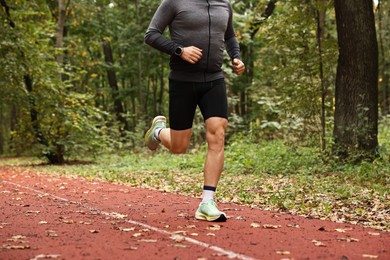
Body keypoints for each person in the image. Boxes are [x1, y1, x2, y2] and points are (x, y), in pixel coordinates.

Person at [144, 0, 245, 222]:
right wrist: (179, 50)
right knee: (180, 146)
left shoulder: (224, 5)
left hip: (214, 79)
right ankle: (159, 131)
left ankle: (207, 202)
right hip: (182, 80)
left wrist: (236, 57)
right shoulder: (174, 2)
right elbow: (151, 34)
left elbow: (229, 36)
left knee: (217, 133)